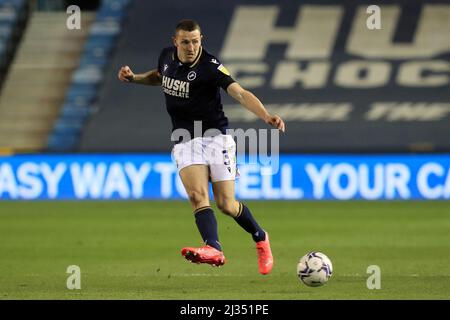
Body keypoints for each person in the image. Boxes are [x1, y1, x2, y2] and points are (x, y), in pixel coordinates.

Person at [118, 19, 285, 275]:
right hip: (185, 138)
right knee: (197, 196)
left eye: (195, 41)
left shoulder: (210, 67)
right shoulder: (166, 56)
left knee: (226, 204)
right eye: (185, 42)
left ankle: (261, 237)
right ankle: (214, 248)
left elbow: (239, 93)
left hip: (216, 136)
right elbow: (160, 76)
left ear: (201, 40)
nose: (191, 47)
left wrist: (266, 115)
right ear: (175, 42)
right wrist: (135, 78)